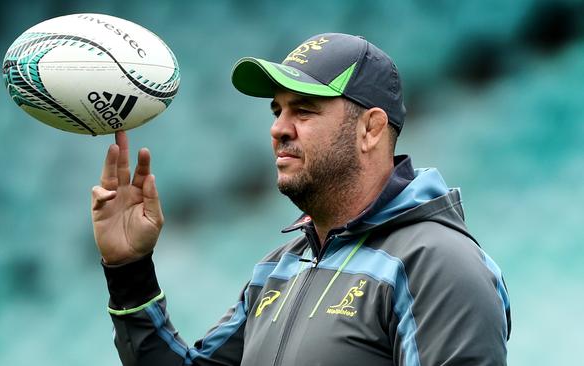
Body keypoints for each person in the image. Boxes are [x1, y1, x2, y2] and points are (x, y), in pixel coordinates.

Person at [91, 33, 511, 366]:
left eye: (304, 110)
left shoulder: (437, 264)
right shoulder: (278, 269)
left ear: (371, 128)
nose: (279, 128)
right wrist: (130, 270)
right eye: (277, 111)